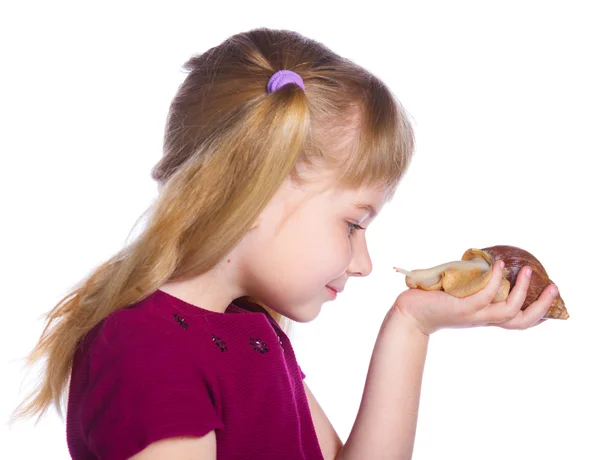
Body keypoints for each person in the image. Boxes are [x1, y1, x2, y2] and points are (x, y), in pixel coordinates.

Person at [11, 27, 559, 459]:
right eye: (353, 224)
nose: (363, 262)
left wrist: (411, 325)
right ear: (255, 189)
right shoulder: (146, 351)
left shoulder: (252, 330)